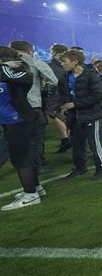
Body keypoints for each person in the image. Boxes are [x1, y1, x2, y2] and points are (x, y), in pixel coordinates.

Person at [0, 47, 43, 211]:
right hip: (10, 122)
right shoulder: (6, 73)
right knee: (25, 157)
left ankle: (30, 195)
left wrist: (6, 66)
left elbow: (7, 75)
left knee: (20, 159)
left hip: (18, 121)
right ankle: (36, 188)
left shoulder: (22, 74)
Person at [9, 40, 58, 176]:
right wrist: (45, 88)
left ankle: (21, 165)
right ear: (30, 50)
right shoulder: (34, 62)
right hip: (31, 106)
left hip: (10, 108)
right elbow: (53, 80)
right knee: (35, 140)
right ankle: (35, 169)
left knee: (12, 141)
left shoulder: (4, 64)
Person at [60, 49, 102, 181]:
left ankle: (101, 168)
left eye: (64, 61)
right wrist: (63, 106)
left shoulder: (91, 75)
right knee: (77, 143)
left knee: (94, 143)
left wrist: (76, 104)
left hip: (91, 114)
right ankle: (79, 168)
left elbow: (98, 95)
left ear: (75, 62)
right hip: (74, 116)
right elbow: (63, 95)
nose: (62, 64)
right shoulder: (64, 77)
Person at [46, 44, 72, 153]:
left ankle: (67, 140)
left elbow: (53, 82)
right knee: (64, 117)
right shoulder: (67, 64)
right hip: (68, 93)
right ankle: (67, 140)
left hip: (55, 95)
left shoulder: (50, 65)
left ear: (54, 53)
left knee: (54, 115)